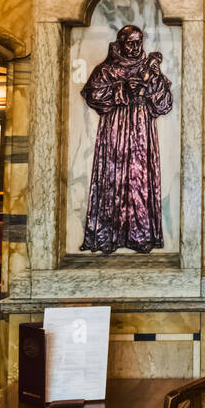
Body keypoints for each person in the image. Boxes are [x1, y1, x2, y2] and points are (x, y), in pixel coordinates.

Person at [80, 25, 174, 253]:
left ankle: (140, 236)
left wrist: (151, 86)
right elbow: (93, 94)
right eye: (130, 42)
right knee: (113, 180)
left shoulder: (149, 69)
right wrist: (121, 90)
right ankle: (109, 236)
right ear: (120, 43)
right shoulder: (106, 70)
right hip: (114, 135)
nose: (134, 48)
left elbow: (164, 103)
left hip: (142, 135)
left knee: (139, 182)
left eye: (138, 42)